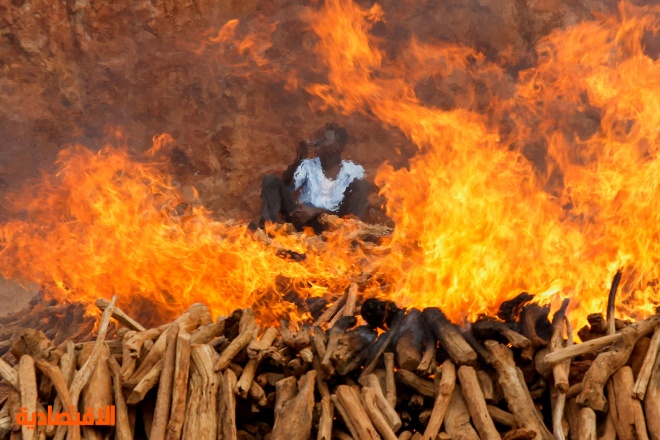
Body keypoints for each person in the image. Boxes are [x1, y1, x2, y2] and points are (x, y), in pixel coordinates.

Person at [258, 122, 370, 232]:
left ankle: (351, 235)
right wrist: (300, 158)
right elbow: (287, 184)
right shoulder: (308, 164)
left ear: (338, 146)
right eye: (319, 139)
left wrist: (316, 212)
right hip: (302, 218)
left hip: (332, 223)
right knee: (271, 180)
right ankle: (267, 230)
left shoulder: (353, 170)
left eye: (324, 140)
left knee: (361, 185)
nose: (318, 144)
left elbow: (356, 200)